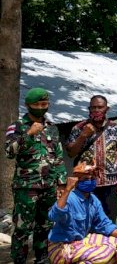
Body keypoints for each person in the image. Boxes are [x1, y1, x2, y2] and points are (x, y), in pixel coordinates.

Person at [5, 88, 67, 264]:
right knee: (22, 228)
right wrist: (29, 134)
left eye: (45, 104)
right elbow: (9, 152)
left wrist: (61, 184)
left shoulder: (52, 128)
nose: (41, 107)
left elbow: (58, 157)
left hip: (48, 186)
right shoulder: (16, 126)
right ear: (28, 105)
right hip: (26, 186)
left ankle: (42, 258)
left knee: (46, 224)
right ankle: (19, 260)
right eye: (37, 104)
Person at [66, 95, 117, 224]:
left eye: (100, 107)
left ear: (107, 109)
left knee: (109, 217)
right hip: (86, 182)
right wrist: (83, 136)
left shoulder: (116, 127)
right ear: (89, 109)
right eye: (93, 107)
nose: (96, 110)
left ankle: (108, 243)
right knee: (85, 216)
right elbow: (71, 153)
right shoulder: (79, 128)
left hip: (110, 182)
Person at [47, 161, 117, 264]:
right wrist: (67, 190)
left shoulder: (93, 199)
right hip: (61, 246)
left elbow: (103, 223)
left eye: (92, 179)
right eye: (85, 179)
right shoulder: (70, 198)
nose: (90, 181)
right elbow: (54, 216)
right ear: (76, 181)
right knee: (107, 253)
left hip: (79, 241)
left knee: (116, 245)